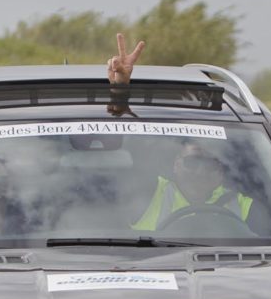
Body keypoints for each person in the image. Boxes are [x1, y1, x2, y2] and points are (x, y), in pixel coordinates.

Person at [106, 33, 256, 232]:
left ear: (220, 173)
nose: (199, 171)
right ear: (176, 165)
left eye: (209, 164)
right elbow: (126, 136)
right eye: (192, 162)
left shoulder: (245, 205)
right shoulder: (149, 191)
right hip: (148, 263)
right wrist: (120, 91)